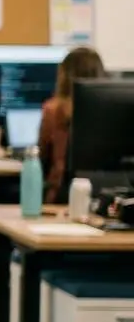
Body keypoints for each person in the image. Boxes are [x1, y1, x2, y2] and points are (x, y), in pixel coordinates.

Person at [38, 46, 106, 204]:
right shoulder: (112, 111)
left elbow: (42, 161)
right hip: (103, 198)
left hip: (60, 198)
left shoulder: (53, 110)